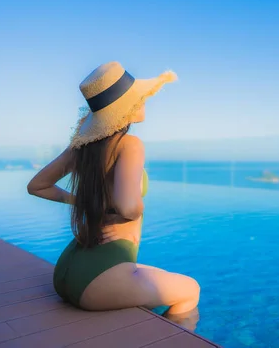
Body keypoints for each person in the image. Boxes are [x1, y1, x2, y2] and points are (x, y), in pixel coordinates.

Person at [27, 61, 200, 330]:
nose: (144, 100)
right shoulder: (130, 144)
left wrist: (80, 201)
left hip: (66, 273)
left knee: (164, 279)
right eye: (138, 97)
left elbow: (37, 186)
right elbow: (129, 206)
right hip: (97, 281)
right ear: (125, 108)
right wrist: (130, 213)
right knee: (190, 290)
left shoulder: (82, 148)